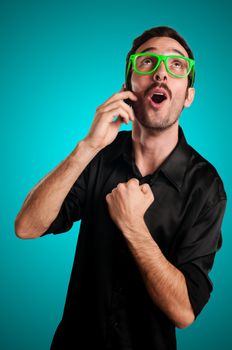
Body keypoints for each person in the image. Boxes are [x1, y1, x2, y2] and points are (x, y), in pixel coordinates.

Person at [15, 26, 227, 350]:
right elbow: (27, 226)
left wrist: (132, 227)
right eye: (147, 63)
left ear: (188, 96)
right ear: (127, 87)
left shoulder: (206, 186)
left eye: (176, 65)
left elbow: (184, 312)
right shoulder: (98, 156)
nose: (160, 74)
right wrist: (87, 146)